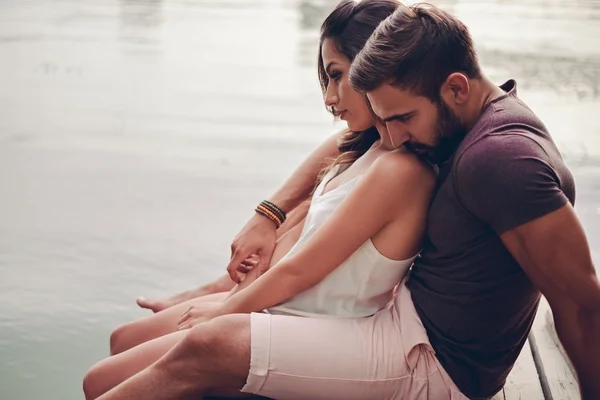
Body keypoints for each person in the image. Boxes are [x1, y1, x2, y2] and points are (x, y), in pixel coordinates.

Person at [88, 2, 600, 400]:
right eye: (383, 120)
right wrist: (267, 215)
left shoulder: (501, 161)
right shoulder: (458, 115)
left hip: (437, 365)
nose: (393, 137)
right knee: (139, 348)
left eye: (400, 119)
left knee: (208, 345)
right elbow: (354, 142)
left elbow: (580, 306)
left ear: (457, 87)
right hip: (401, 322)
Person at [83, 1, 445, 399]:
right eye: (326, 79)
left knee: (99, 381)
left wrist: (223, 312)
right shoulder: (367, 145)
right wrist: (266, 218)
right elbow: (316, 184)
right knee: (123, 339)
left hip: (309, 325)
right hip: (287, 309)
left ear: (371, 69)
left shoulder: (400, 170)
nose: (328, 98)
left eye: (338, 76)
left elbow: (300, 272)